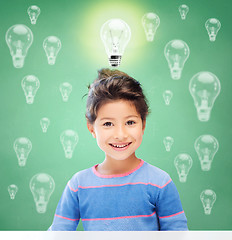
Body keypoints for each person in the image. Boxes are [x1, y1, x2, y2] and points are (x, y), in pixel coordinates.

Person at [49, 68, 188, 231]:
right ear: (92, 129)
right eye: (108, 124)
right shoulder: (79, 185)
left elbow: (177, 234)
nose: (120, 135)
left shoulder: (159, 182)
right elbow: (58, 233)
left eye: (130, 122)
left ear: (143, 125)